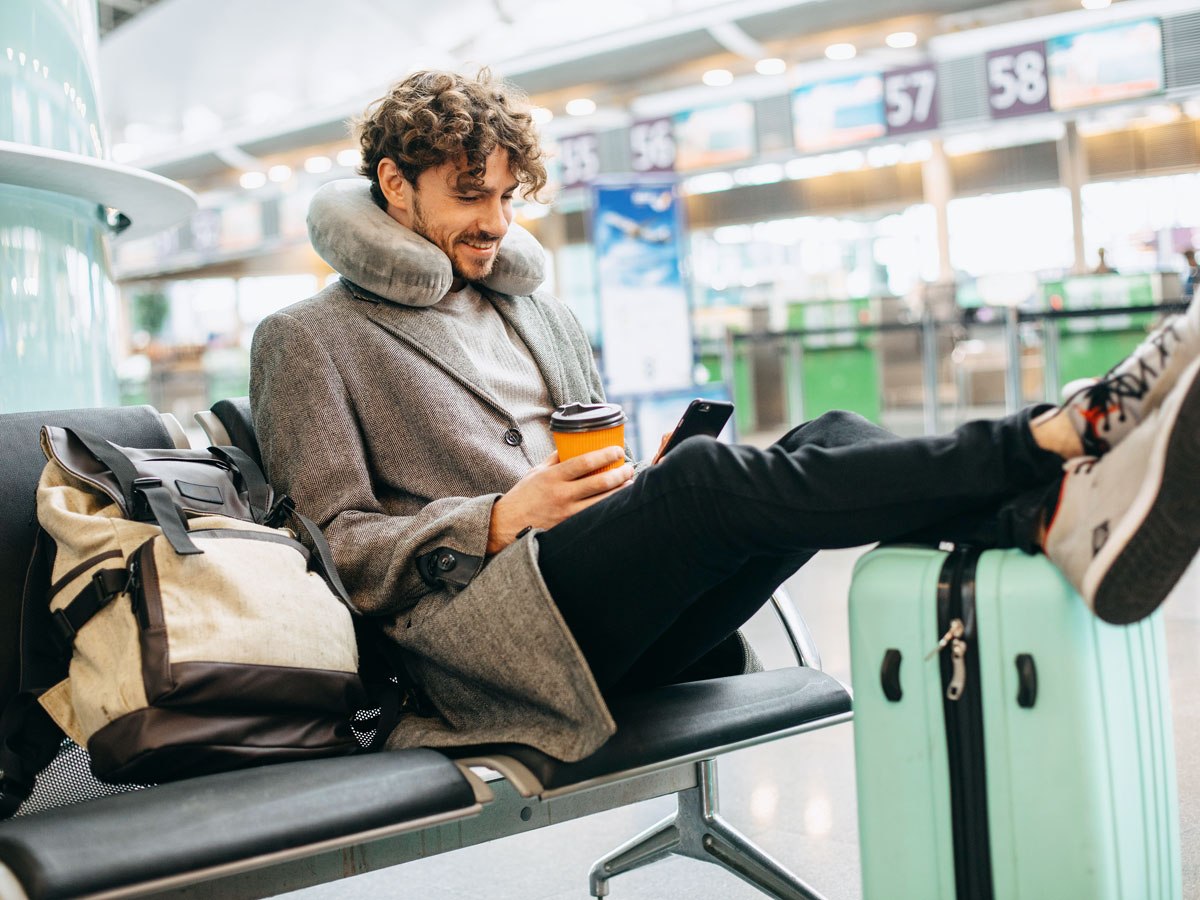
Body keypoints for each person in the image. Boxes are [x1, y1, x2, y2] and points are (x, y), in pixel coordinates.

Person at [250, 70, 1200, 762]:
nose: (496, 220)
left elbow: (594, 466)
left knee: (822, 433)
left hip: (608, 608)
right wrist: (499, 518)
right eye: (470, 195)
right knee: (709, 485)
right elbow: (333, 553)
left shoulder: (532, 306)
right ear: (392, 186)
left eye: (505, 194)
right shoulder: (308, 338)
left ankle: (1046, 514)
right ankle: (1048, 436)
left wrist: (638, 484)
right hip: (486, 653)